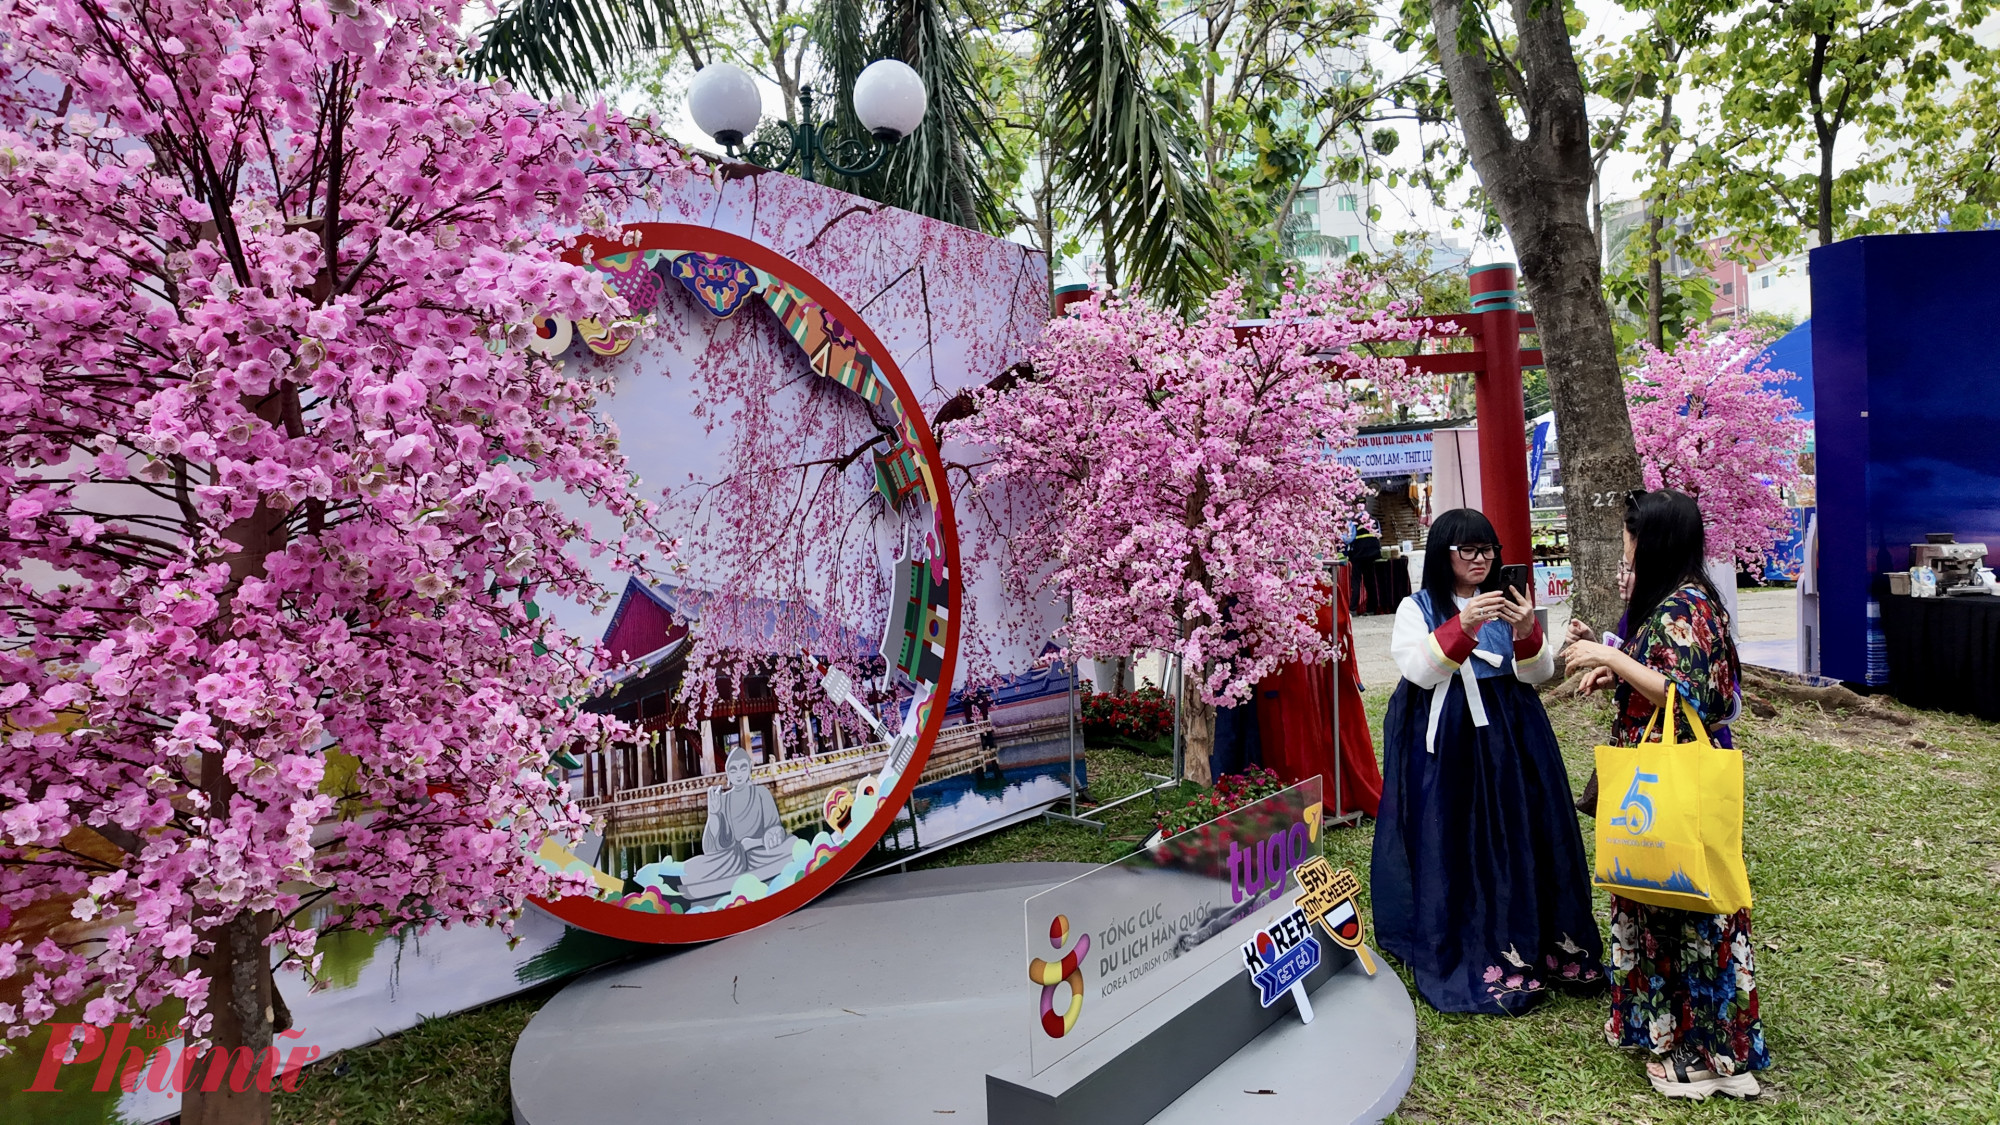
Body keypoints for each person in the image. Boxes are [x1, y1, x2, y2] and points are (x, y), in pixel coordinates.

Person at [1563, 489, 1771, 1100]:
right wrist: (1615, 665)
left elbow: (1684, 693)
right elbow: (1663, 677)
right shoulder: (1687, 598)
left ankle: (1709, 1057)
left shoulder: (1685, 606)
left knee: (1688, 904)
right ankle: (1663, 1030)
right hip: (1659, 777)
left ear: (1653, 540)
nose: (1624, 548)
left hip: (1670, 778)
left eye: (1630, 537)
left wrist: (1608, 654)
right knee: (1663, 894)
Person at [1371, 508, 1604, 1015]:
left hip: (1511, 732)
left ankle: (1538, 942)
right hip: (1448, 736)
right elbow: (1419, 671)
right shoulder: (1418, 607)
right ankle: (1462, 941)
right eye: (1468, 551)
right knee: (1453, 833)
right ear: (1443, 555)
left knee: (1522, 831)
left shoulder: (1510, 602)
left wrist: (1526, 630)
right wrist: (1464, 625)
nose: (1481, 560)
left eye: (1488, 549)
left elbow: (1538, 673)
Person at [680, 747, 794, 899]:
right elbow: (710, 849)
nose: (738, 774)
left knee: (792, 843)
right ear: (728, 774)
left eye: (743, 768)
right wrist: (713, 814)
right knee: (690, 868)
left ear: (749, 769)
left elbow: (775, 828)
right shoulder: (724, 800)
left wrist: (770, 836)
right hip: (732, 860)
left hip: (759, 853)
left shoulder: (761, 793)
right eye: (733, 770)